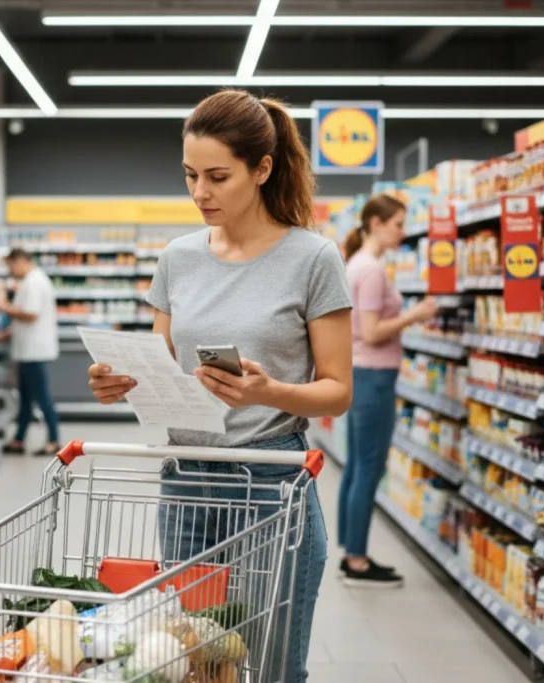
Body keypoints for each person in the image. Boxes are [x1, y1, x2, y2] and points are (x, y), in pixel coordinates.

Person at [87, 90, 353, 682]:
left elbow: (338, 390)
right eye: (189, 175)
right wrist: (123, 383)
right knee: (198, 660)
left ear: (261, 169)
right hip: (187, 480)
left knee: (276, 662)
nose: (200, 193)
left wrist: (269, 393)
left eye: (217, 176)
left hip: (271, 480)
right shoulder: (178, 258)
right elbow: (164, 369)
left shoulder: (313, 258)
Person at [338, 195, 438, 587]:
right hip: (374, 376)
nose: (403, 231)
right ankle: (357, 561)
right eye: (398, 223)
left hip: (360, 374)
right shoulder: (371, 269)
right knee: (369, 467)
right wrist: (415, 314)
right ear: (376, 223)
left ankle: (350, 549)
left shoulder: (356, 265)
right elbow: (373, 331)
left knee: (356, 466)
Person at [0, 248, 61, 456]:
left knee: (42, 397)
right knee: (25, 398)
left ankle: (53, 440)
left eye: (11, 266)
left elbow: (31, 315)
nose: (10, 271)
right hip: (27, 350)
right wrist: (8, 333)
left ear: (20, 261)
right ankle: (19, 440)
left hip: (35, 351)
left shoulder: (33, 282)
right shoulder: (31, 281)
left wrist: (3, 306)